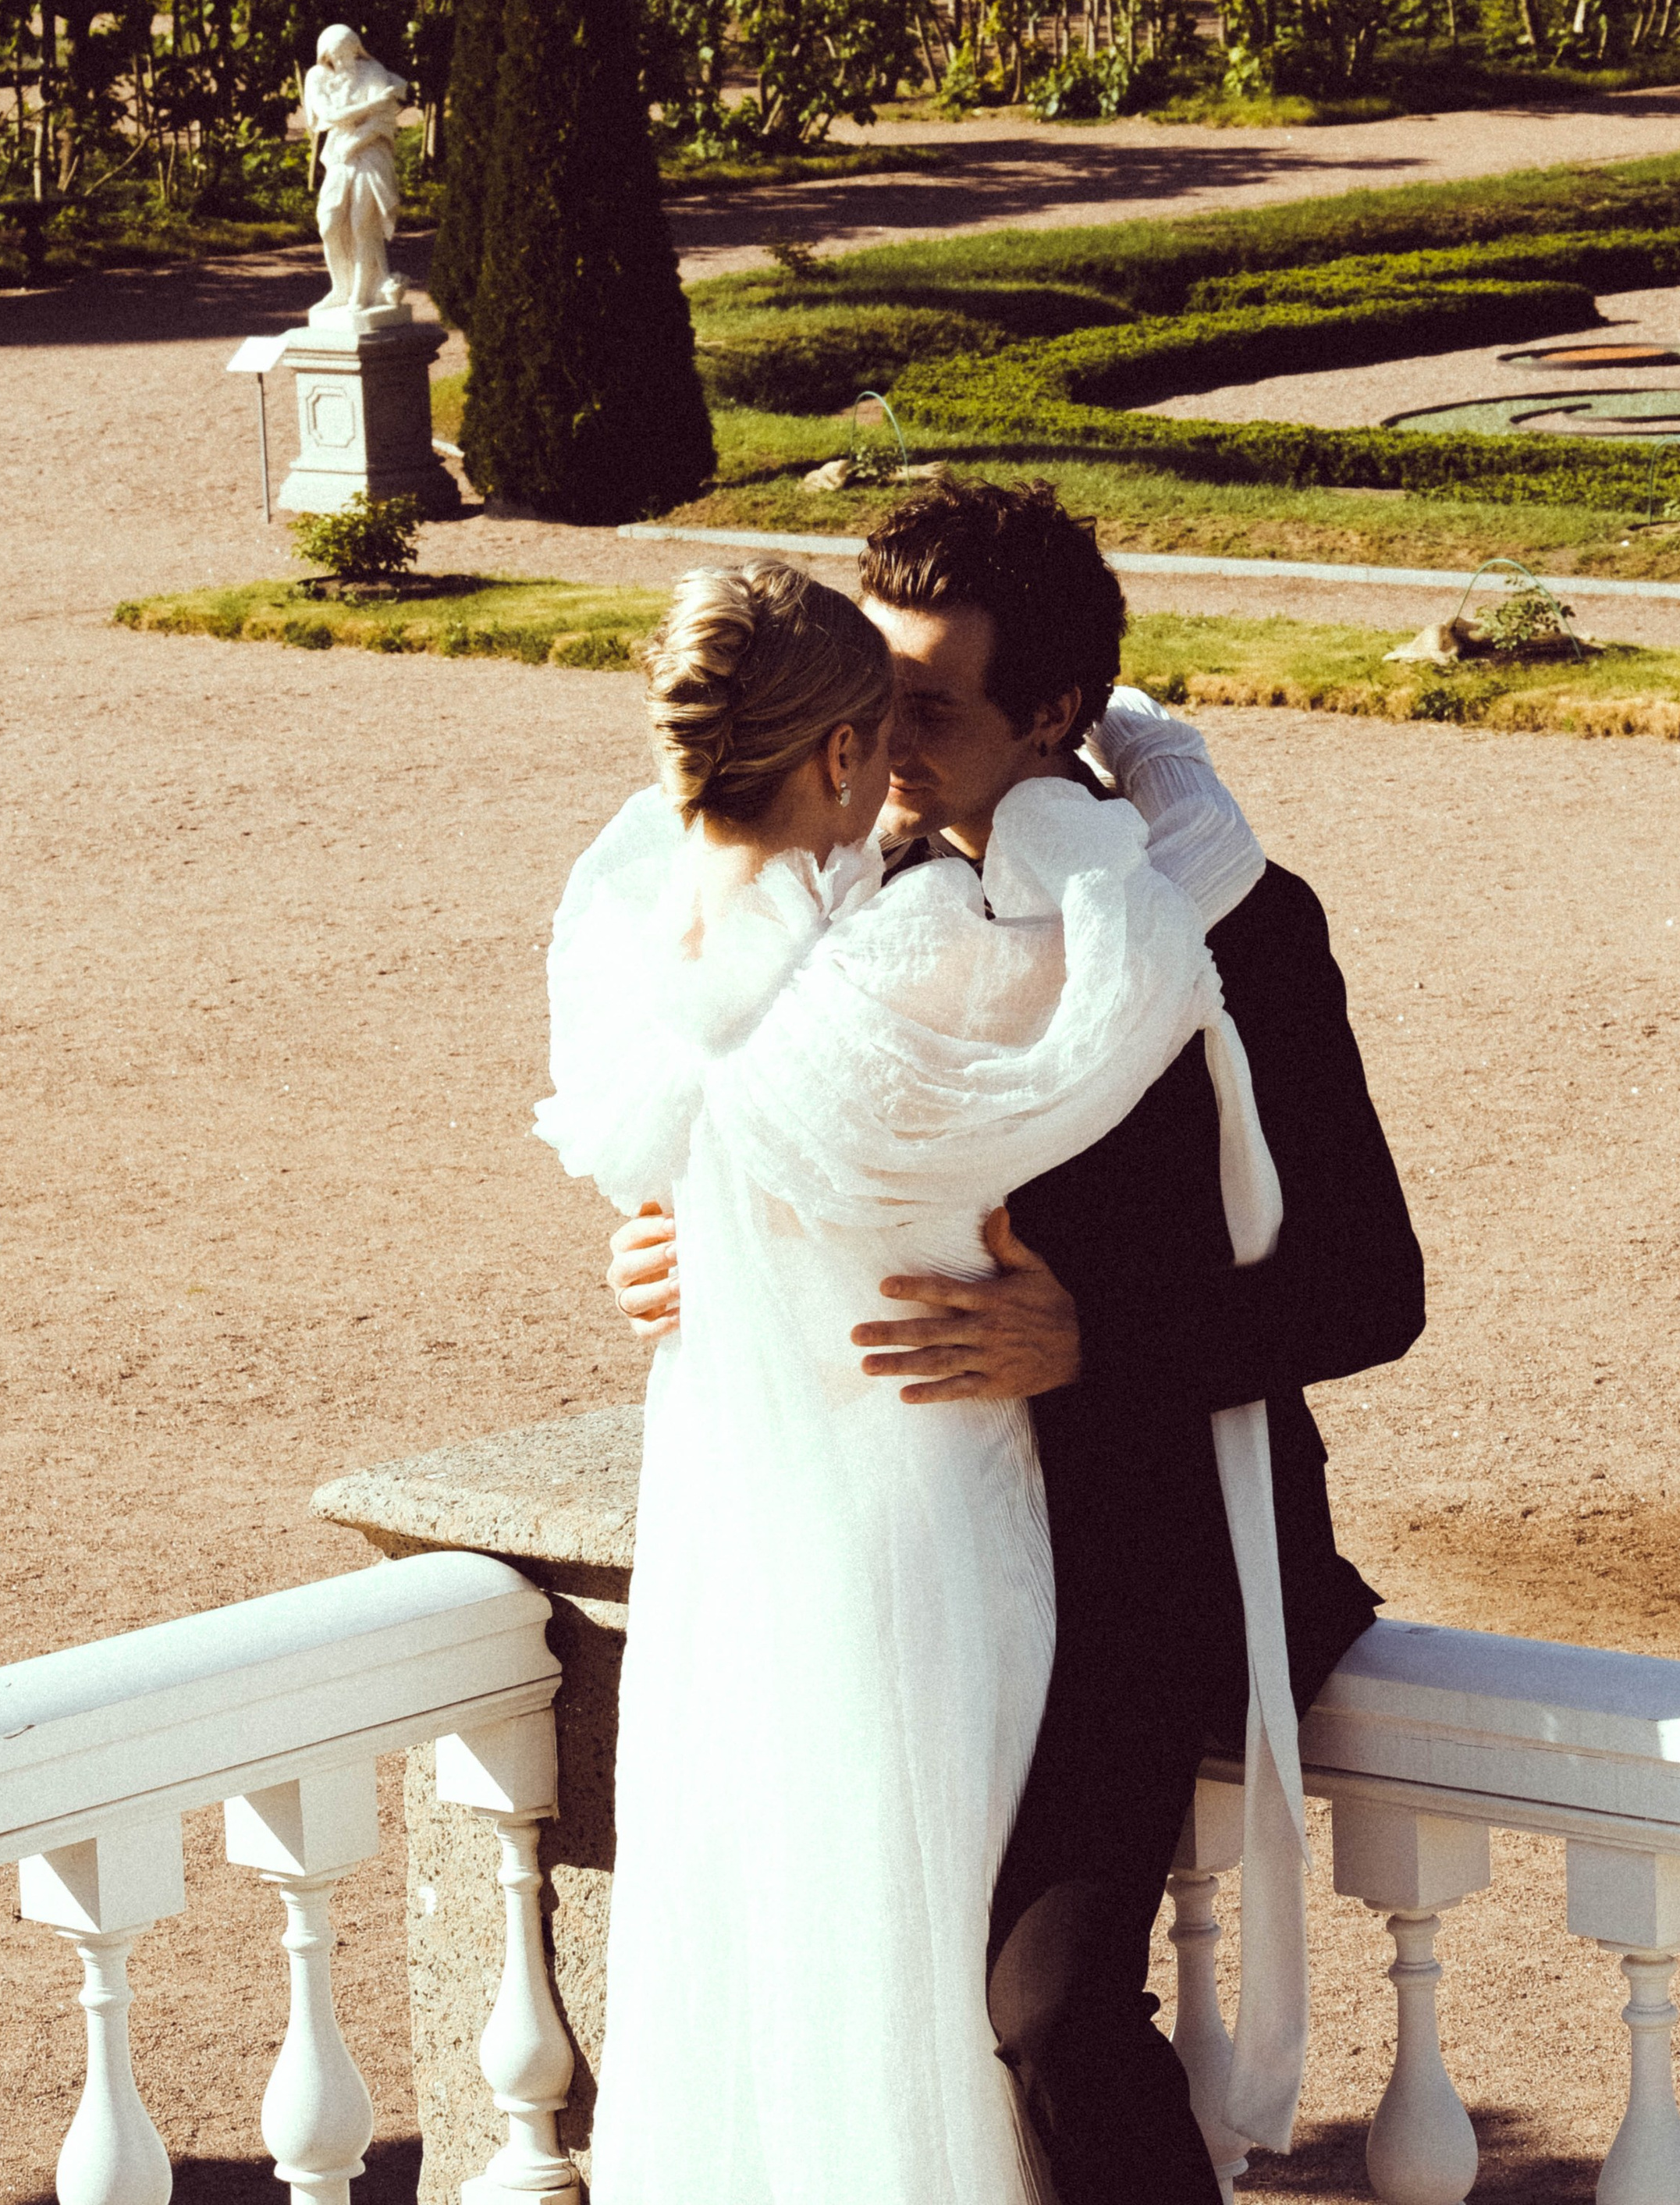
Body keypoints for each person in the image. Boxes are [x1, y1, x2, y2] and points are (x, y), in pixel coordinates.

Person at [609, 480, 1427, 2205]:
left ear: (1056, 711)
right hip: (892, 1563)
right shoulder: (855, 889)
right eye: (866, 699)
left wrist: (1094, 1338)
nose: (876, 749)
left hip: (1143, 1551)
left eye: (925, 710)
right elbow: (768, 1127)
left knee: (1039, 2005)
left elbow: (1371, 1284)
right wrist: (687, 1244)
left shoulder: (1234, 929)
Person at [301, 23, 407, 314]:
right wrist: (374, 103)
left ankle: (361, 294)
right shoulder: (318, 77)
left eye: (349, 54)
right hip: (339, 155)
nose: (344, 61)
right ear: (326, 55)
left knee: (363, 222)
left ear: (357, 50)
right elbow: (330, 115)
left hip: (370, 153)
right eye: (337, 55)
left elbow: (384, 118)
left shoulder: (372, 70)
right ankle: (341, 288)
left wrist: (360, 138)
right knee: (329, 222)